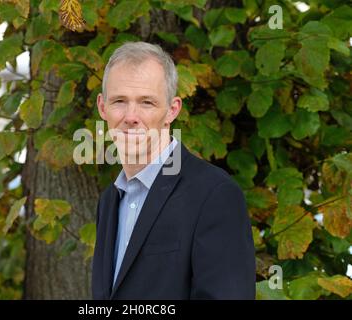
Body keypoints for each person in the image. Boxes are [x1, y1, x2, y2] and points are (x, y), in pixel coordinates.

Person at [92, 41, 256, 299]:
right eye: (119, 101)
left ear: (172, 110)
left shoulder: (214, 194)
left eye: (146, 102)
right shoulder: (109, 201)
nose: (131, 116)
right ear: (103, 107)